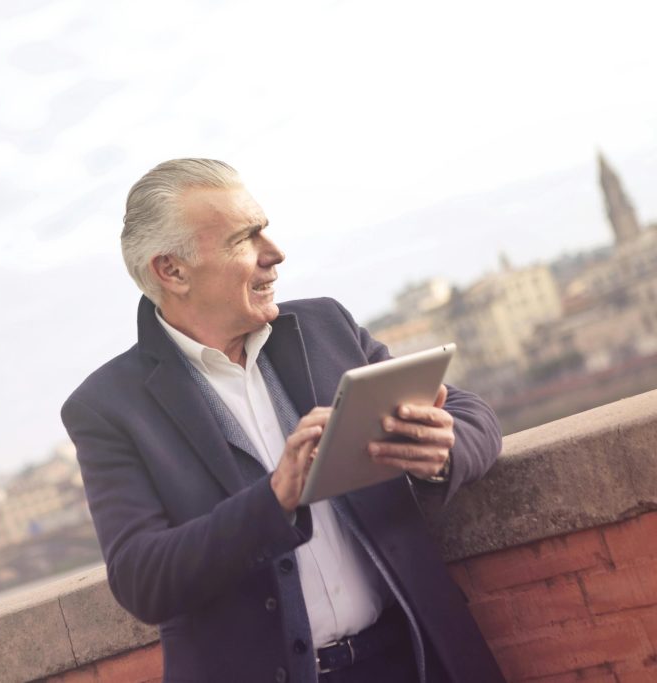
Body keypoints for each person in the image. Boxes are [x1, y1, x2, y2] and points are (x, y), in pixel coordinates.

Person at [61, 159, 504, 682]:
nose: (275, 254)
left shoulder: (325, 326)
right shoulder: (108, 407)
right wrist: (275, 499)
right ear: (172, 271)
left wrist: (442, 451)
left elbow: (469, 413)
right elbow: (143, 578)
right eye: (245, 239)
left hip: (417, 659)